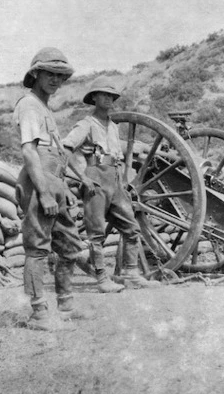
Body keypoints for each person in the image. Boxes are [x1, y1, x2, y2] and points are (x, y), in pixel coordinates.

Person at [62, 76, 160, 290]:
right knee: (96, 233)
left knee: (131, 228)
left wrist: (123, 181)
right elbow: (65, 149)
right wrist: (83, 177)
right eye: (103, 95)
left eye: (111, 95)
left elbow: (119, 157)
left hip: (114, 179)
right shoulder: (86, 125)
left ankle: (131, 273)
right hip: (95, 176)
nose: (108, 99)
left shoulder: (114, 127)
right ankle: (101, 279)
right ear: (94, 98)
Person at [13, 47, 86, 330]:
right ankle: (38, 313)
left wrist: (62, 187)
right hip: (37, 181)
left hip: (56, 180)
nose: (56, 80)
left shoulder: (45, 107)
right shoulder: (29, 104)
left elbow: (57, 153)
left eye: (60, 76)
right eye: (50, 74)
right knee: (38, 247)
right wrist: (43, 192)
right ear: (36, 74)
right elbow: (30, 152)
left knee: (69, 244)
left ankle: (65, 305)